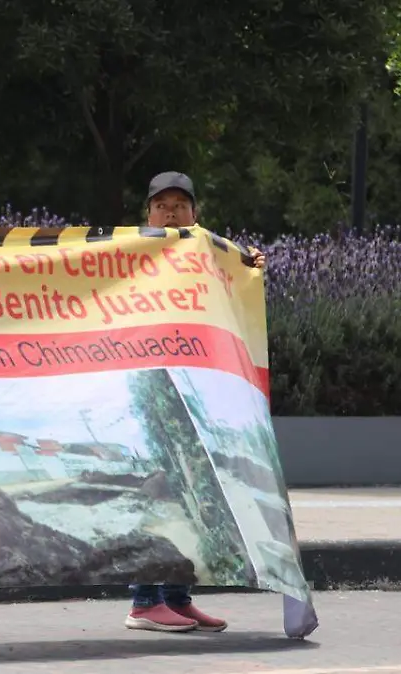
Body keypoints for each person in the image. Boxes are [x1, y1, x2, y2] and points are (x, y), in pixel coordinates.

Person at [123, 171, 265, 634]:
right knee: (162, 491)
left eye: (179, 204)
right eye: (161, 204)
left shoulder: (205, 248)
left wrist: (250, 264)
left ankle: (178, 598)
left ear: (194, 212)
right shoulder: (126, 253)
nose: (170, 211)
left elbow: (236, 268)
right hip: (153, 386)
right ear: (148, 213)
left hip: (193, 390)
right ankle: (144, 602)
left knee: (193, 492)